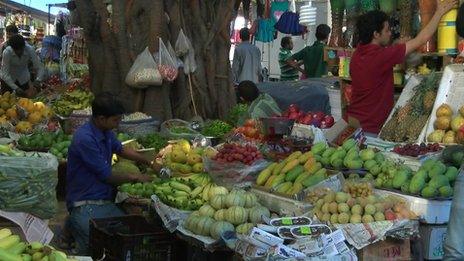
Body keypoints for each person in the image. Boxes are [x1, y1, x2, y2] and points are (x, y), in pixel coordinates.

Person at [66, 93, 159, 255]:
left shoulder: (105, 131)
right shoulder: (85, 139)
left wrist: (149, 162)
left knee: (125, 235)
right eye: (115, 120)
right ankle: (73, 226)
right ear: (101, 119)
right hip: (85, 202)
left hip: (104, 199)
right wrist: (137, 177)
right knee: (95, 246)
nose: (118, 124)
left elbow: (121, 149)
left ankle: (70, 228)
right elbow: (106, 175)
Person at [346, 0, 457, 134]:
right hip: (370, 127)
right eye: (386, 30)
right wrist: (439, 12)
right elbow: (422, 39)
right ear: (376, 34)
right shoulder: (382, 56)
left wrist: (396, 46)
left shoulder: (358, 53)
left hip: (353, 120)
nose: (390, 33)